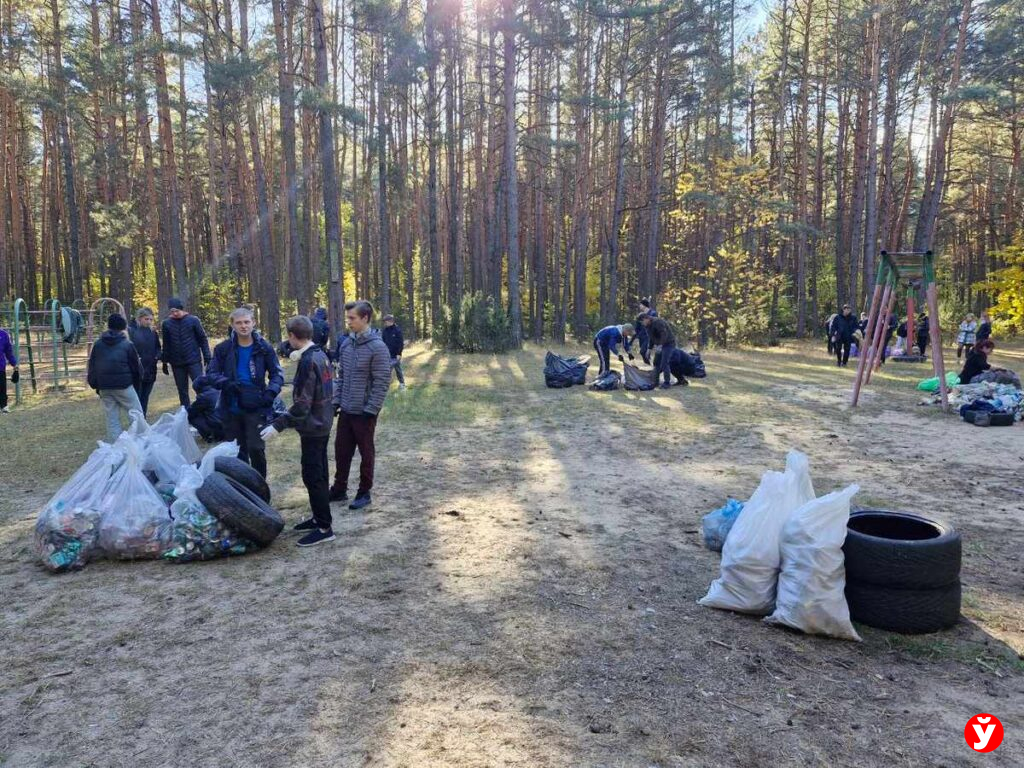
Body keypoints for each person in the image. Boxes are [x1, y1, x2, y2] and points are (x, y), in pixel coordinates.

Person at [260, 316, 336, 547]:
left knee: (314, 476)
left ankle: (324, 528)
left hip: (314, 427)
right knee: (318, 473)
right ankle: (318, 518)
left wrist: (277, 425)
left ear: (292, 336)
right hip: (323, 423)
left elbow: (303, 404)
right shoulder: (321, 354)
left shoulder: (308, 362)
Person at [205, 307, 284, 479]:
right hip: (231, 406)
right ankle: (242, 489)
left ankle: (260, 488)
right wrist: (226, 383)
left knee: (256, 448)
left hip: (257, 405)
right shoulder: (223, 349)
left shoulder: (264, 347)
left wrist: (271, 392)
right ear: (232, 325)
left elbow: (277, 374)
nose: (243, 326)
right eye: (239, 323)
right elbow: (211, 373)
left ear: (253, 323)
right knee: (236, 451)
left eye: (247, 322)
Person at [329, 300, 392, 510]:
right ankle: (339, 489)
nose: (348, 322)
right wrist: (336, 401)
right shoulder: (346, 344)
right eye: (348, 318)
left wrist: (371, 409)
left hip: (364, 412)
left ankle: (364, 492)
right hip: (346, 410)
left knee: (366, 452)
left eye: (352, 318)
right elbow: (342, 376)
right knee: (341, 451)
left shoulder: (378, 347)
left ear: (365, 318)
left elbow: (382, 381)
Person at [87, 313, 143, 442]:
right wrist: (136, 384)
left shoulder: (98, 344)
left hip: (104, 387)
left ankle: (117, 449)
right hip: (124, 386)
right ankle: (141, 442)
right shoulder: (127, 344)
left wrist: (96, 385)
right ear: (123, 328)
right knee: (136, 414)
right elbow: (136, 368)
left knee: (112, 419)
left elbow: (92, 365)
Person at [161, 297, 211, 407]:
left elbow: (202, 339)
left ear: (181, 309)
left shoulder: (193, 320)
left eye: (176, 311)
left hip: (193, 360)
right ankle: (186, 414)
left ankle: (205, 410)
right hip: (177, 363)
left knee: (200, 387)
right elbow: (166, 344)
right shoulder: (166, 324)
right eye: (172, 311)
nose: (174, 313)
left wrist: (207, 356)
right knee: (182, 391)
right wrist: (164, 361)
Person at [128, 308, 161, 416]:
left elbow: (158, 347)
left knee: (145, 397)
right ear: (140, 318)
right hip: (137, 371)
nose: (149, 322)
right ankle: (137, 422)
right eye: (147, 319)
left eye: (151, 319)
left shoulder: (153, 332)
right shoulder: (131, 331)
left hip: (151, 369)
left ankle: (143, 420)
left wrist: (157, 356)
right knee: (137, 398)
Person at [640, 314, 677, 389]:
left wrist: (660, 345)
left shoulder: (658, 322)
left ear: (646, 318)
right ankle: (655, 382)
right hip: (659, 345)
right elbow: (651, 338)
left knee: (664, 363)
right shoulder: (647, 326)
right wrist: (649, 349)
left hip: (668, 344)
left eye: (642, 321)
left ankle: (667, 383)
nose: (642, 323)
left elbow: (664, 334)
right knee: (656, 363)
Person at [188, 376, 225, 442]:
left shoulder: (203, 397)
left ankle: (209, 436)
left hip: (219, 430)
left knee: (193, 418)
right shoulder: (220, 390)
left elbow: (190, 413)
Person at [381, 314, 406, 390]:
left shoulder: (397, 330)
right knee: (387, 370)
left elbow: (400, 343)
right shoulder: (385, 330)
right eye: (384, 322)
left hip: (396, 355)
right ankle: (385, 386)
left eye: (386, 321)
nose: (385, 323)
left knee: (398, 369)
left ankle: (402, 384)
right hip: (387, 354)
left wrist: (399, 353)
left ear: (390, 321)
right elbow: (383, 341)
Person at [0, 323, 18, 413]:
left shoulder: (3, 335)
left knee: (2, 387)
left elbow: (9, 352)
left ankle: (4, 406)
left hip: (0, 367)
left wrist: (14, 364)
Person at [634, 299, 658, 364]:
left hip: (649, 336)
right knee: (643, 353)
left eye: (641, 304)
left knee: (643, 351)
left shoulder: (653, 313)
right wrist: (634, 338)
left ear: (644, 305)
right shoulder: (640, 315)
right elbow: (637, 328)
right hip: (642, 336)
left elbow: (655, 324)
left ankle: (649, 364)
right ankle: (648, 364)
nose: (639, 306)